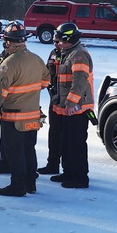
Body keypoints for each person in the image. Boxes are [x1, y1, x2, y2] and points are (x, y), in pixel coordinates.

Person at [0, 21, 50, 197]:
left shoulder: (9, 63)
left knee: (15, 152)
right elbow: (45, 81)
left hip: (13, 117)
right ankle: (30, 183)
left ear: (8, 41)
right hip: (33, 115)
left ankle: (18, 186)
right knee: (29, 149)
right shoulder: (37, 59)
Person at [48, 22, 94, 188]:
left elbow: (79, 81)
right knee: (66, 142)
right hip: (67, 107)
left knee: (76, 144)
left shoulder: (79, 54)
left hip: (77, 108)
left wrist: (71, 102)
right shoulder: (67, 52)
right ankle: (68, 172)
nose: (57, 43)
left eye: (60, 40)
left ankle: (80, 178)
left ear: (69, 39)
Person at [38, 43, 64, 175]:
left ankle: (69, 169)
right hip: (54, 98)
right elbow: (47, 72)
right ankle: (52, 164)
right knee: (53, 134)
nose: (55, 43)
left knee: (66, 137)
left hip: (67, 102)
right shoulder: (54, 53)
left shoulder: (74, 55)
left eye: (58, 40)